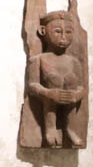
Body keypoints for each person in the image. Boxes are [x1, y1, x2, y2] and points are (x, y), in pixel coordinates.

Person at [26, 10, 86, 147]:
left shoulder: (74, 62)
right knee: (54, 79)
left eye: (69, 32)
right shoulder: (38, 60)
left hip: (69, 101)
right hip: (49, 102)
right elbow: (32, 85)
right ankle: (50, 128)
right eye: (58, 32)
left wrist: (76, 95)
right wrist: (48, 93)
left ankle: (70, 127)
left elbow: (82, 87)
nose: (64, 37)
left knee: (71, 80)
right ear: (43, 31)